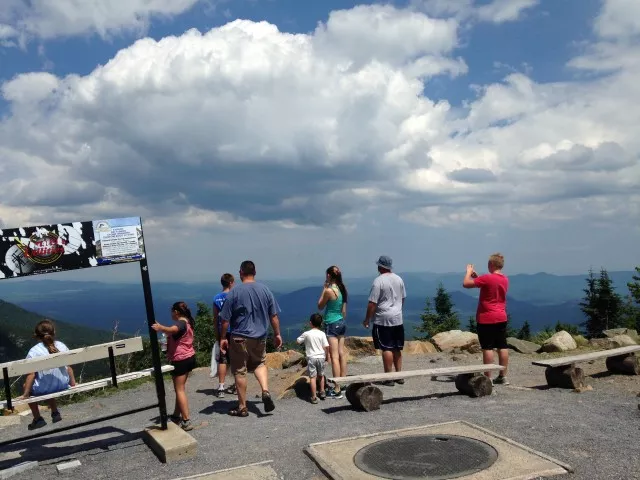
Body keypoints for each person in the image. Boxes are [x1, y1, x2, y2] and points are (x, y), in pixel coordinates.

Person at [219, 260, 282, 417]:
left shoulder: (234, 292)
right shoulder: (265, 290)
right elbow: (273, 316)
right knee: (260, 363)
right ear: (255, 272)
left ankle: (242, 407)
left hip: (239, 337)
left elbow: (225, 320)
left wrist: (222, 338)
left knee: (240, 371)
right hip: (260, 336)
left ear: (241, 273)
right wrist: (277, 334)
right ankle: (265, 391)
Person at [19, 320, 76, 430]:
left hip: (44, 389)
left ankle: (37, 418)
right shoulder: (61, 345)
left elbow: (31, 375)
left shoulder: (34, 351)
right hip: (63, 385)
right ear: (54, 332)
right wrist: (73, 384)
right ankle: (55, 413)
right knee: (50, 380)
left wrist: (26, 394)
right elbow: (68, 367)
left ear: (36, 335)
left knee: (27, 385)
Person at [463, 253, 510, 384]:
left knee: (488, 348)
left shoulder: (487, 278)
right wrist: (478, 278)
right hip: (501, 316)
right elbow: (490, 287)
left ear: (492, 264)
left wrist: (468, 272)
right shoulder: (505, 279)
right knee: (502, 346)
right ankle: (503, 376)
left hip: (486, 317)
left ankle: (488, 378)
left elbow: (466, 284)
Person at [152, 301, 196, 431]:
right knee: (180, 388)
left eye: (172, 311)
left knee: (180, 390)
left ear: (176, 312)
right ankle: (176, 416)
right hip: (189, 357)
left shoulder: (181, 323)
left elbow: (174, 329)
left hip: (180, 359)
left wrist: (161, 328)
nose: (171, 313)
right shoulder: (188, 321)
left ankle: (186, 420)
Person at [362, 256, 406, 386]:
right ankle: (399, 375)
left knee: (386, 347)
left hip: (383, 319)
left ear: (380, 267)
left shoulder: (378, 281)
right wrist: (397, 309)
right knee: (397, 347)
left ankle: (389, 377)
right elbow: (403, 298)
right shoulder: (399, 279)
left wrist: (367, 319)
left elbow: (372, 303)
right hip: (398, 317)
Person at [317, 265, 347, 399]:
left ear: (329, 276)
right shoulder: (342, 288)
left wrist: (324, 289)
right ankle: (344, 383)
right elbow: (343, 308)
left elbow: (320, 306)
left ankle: (337, 388)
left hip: (331, 322)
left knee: (334, 356)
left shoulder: (329, 291)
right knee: (341, 354)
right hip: (341, 322)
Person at [296, 313, 330, 404]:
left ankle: (314, 397)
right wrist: (327, 357)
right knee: (321, 375)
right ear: (321, 323)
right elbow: (326, 346)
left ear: (310, 323)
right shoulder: (322, 333)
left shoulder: (307, 334)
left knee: (313, 377)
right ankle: (322, 392)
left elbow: (298, 341)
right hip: (321, 357)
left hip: (311, 358)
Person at [213, 273, 236, 398]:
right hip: (236, 331)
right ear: (231, 283)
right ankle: (236, 385)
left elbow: (215, 318)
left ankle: (221, 387)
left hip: (223, 332)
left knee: (223, 358)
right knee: (236, 360)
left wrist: (217, 334)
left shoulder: (216, 298)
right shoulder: (235, 296)